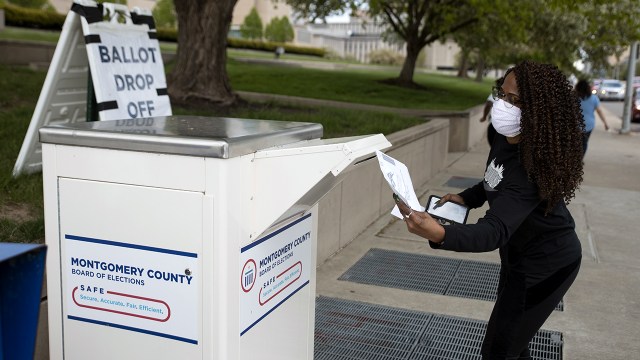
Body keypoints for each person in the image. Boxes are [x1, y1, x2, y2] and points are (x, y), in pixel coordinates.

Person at [394, 60, 584, 360]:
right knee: (512, 343)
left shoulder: (530, 170)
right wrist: (467, 198)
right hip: (517, 255)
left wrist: (441, 233)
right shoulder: (503, 137)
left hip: (547, 264)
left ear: (538, 111)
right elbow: (493, 180)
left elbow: (493, 231)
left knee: (498, 349)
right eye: (502, 94)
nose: (502, 105)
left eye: (514, 101)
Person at [575, 79, 609, 156]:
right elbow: (599, 111)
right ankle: (580, 158)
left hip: (575, 125)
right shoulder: (593, 98)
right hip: (588, 125)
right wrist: (605, 123)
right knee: (584, 142)